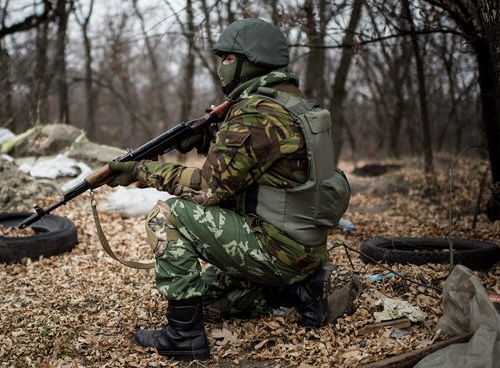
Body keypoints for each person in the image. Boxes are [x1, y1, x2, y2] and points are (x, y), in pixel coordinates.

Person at [107, 18, 352, 361]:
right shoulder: (296, 105)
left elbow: (208, 188)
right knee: (209, 301)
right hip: (304, 251)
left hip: (276, 249)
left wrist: (141, 171)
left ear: (250, 61)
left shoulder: (257, 113)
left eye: (227, 58)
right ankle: (298, 291)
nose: (221, 67)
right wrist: (211, 138)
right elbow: (256, 166)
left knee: (169, 215)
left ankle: (184, 337)